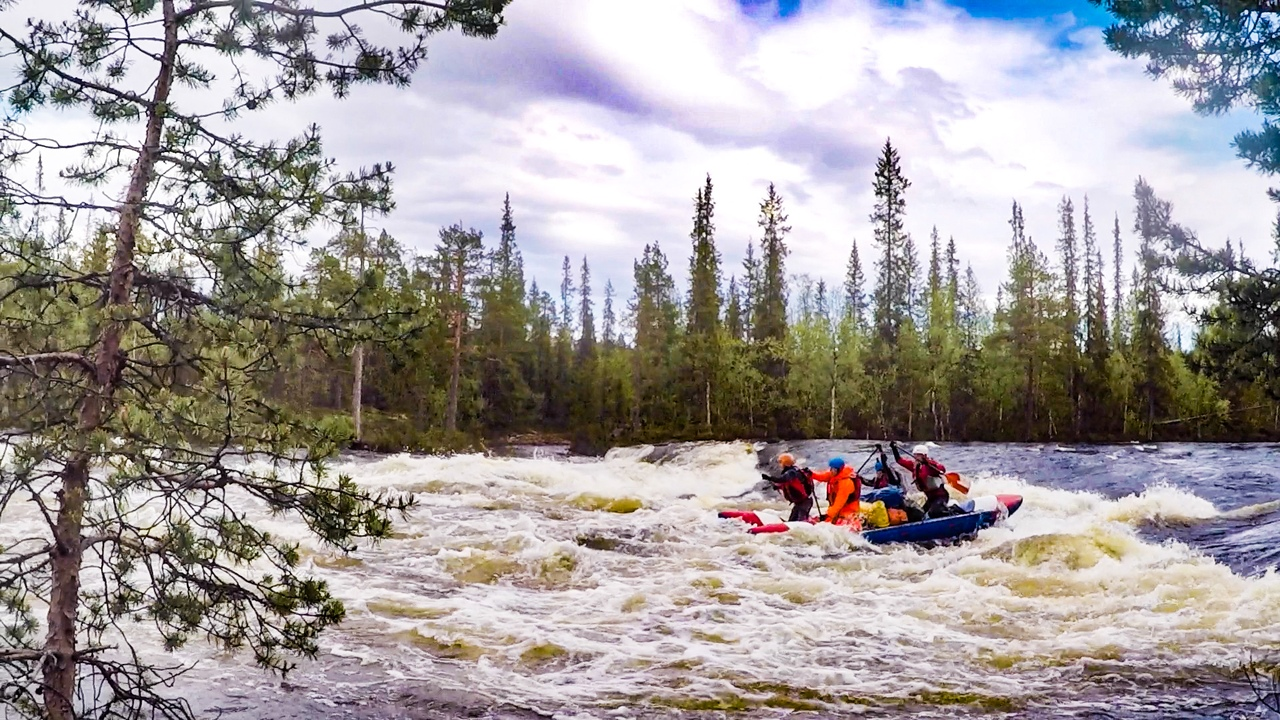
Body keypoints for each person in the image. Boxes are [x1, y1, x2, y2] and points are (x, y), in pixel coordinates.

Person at [890, 441, 952, 519]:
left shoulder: (930, 466)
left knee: (934, 513)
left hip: (940, 496)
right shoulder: (914, 466)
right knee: (918, 515)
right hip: (930, 498)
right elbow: (900, 461)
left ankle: (952, 512)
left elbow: (942, 469)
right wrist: (894, 449)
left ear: (924, 456)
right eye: (915, 455)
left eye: (918, 455)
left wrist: (927, 462)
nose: (915, 457)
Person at [809, 456, 862, 528]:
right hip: (837, 511)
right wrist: (811, 474)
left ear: (839, 470)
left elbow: (839, 503)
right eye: (831, 468)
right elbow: (821, 476)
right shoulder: (834, 475)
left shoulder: (846, 483)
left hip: (848, 512)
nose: (831, 471)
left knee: (831, 525)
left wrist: (828, 515)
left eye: (833, 469)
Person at [761, 452, 814, 522]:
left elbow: (782, 480)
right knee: (792, 520)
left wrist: (769, 478)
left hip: (805, 502)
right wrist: (777, 487)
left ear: (785, 463)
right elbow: (789, 483)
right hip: (800, 503)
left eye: (780, 462)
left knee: (801, 521)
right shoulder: (793, 471)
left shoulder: (791, 472)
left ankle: (808, 523)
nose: (780, 465)